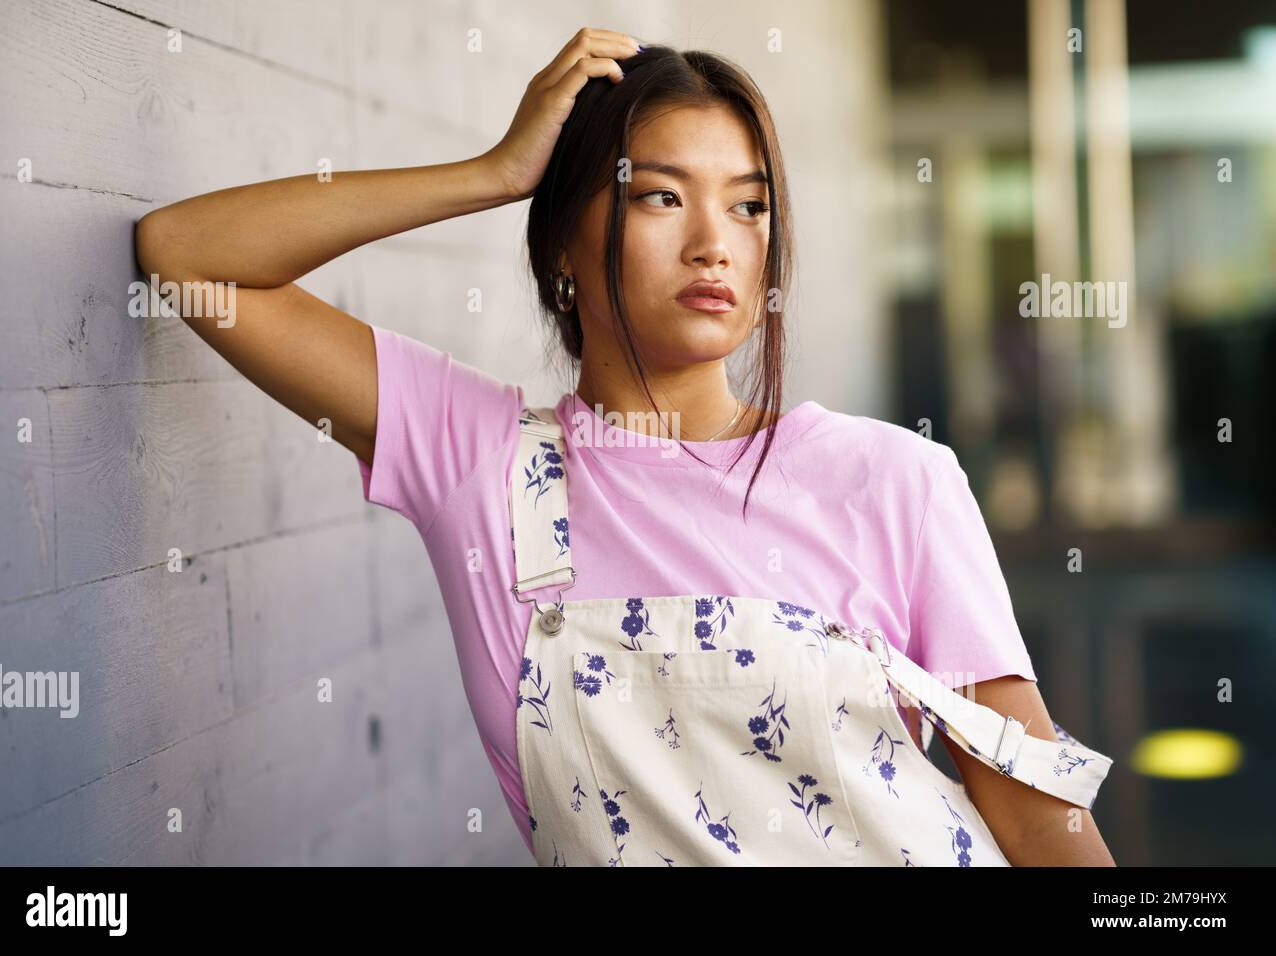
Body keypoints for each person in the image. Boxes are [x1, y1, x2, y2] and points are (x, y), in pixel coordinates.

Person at [135, 27, 1114, 865]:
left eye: (748, 203)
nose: (714, 243)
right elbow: (188, 253)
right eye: (658, 196)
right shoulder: (481, 461)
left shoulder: (895, 479)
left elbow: (1033, 804)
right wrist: (492, 174)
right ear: (565, 239)